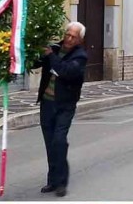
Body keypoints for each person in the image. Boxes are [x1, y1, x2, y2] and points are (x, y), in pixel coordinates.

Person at [36, 22, 88, 197]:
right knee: (50, 143)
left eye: (74, 37)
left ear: (80, 40)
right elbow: (37, 63)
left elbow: (65, 71)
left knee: (59, 141)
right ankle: (52, 180)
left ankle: (61, 182)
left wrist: (50, 55)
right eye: (68, 34)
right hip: (47, 103)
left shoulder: (80, 56)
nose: (69, 39)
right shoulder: (55, 48)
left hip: (65, 105)